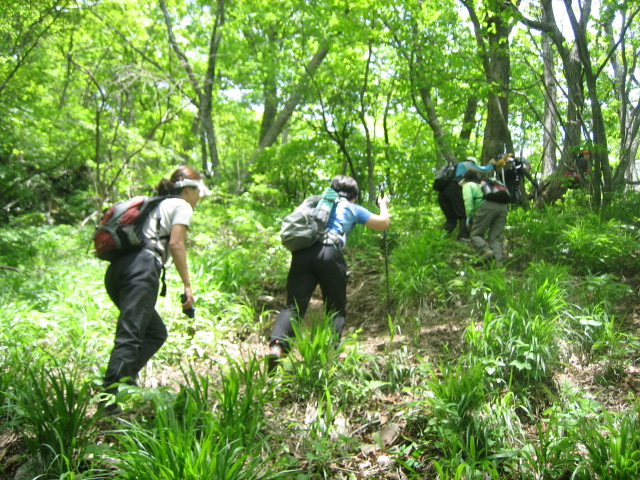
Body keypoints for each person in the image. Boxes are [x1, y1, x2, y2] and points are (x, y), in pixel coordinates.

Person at [100, 166, 210, 413]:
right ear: (189, 189)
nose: (200, 197)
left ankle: (124, 381)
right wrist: (187, 285)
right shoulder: (181, 205)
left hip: (118, 269)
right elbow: (176, 243)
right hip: (142, 268)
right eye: (199, 191)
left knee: (155, 333)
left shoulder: (156, 205)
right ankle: (109, 404)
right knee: (130, 335)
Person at [267, 174, 390, 370]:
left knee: (293, 306)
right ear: (353, 196)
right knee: (335, 306)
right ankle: (333, 351)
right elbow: (383, 223)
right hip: (329, 252)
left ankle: (277, 348)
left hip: (302, 253)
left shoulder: (316, 203)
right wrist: (383, 204)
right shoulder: (351, 208)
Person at [437, 155, 507, 242]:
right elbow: (485, 170)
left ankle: (440, 239)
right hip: (454, 190)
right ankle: (464, 236)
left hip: (442, 193)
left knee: (451, 220)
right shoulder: (467, 164)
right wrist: (491, 164)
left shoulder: (456, 168)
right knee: (463, 214)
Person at [460, 170, 509, 266]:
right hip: (503, 207)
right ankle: (498, 263)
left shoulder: (468, 185)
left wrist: (469, 217)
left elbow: (468, 201)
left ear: (466, 179)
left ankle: (486, 251)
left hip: (487, 207)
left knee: (475, 234)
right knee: (495, 238)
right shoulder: (485, 184)